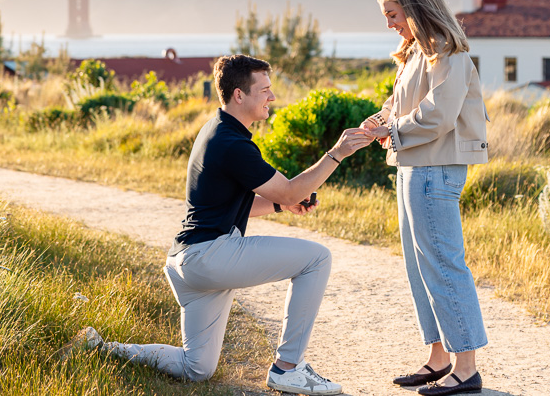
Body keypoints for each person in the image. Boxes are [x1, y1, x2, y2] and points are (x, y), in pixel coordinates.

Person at [66, 54, 372, 395]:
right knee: (317, 258)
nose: (272, 97)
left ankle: (104, 348)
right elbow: (290, 189)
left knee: (196, 367)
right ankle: (288, 368)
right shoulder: (232, 144)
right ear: (239, 95)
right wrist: (337, 153)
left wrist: (280, 205)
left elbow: (243, 204)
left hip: (187, 262)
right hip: (211, 257)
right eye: (265, 90)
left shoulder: (216, 130)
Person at [361, 0, 490, 396]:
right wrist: (379, 121)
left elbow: (436, 116)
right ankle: (439, 358)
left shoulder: (448, 54)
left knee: (444, 264)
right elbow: (400, 105)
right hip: (413, 165)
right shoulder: (417, 53)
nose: (390, 23)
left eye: (394, 13)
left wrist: (390, 131)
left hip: (436, 167)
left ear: (414, 7)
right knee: (420, 267)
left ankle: (466, 366)